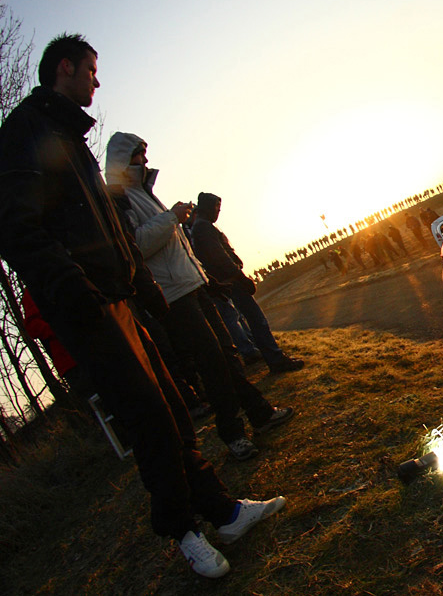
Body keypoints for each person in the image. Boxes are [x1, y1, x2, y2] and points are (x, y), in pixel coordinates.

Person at [0, 33, 284, 578]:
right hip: (87, 309)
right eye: (90, 71)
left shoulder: (71, 139)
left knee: (174, 410)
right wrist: (77, 291)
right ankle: (182, 532)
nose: (96, 81)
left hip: (122, 301)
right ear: (65, 68)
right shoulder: (24, 134)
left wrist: (139, 284)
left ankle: (223, 513)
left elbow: (107, 228)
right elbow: (16, 229)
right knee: (149, 421)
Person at [104, 132, 294, 461]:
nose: (145, 160)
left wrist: (206, 280)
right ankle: (234, 433)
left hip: (192, 287)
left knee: (225, 355)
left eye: (145, 152)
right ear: (124, 158)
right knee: (213, 363)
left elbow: (177, 248)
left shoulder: (145, 193)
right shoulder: (118, 199)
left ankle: (259, 415)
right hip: (172, 297)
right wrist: (172, 217)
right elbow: (135, 245)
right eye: (138, 154)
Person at [190, 193, 305, 373]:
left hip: (228, 280)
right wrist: (241, 277)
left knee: (253, 319)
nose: (218, 213)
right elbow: (220, 257)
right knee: (256, 320)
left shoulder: (201, 227)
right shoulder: (203, 228)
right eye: (216, 209)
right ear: (208, 207)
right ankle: (275, 359)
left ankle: (274, 357)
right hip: (231, 281)